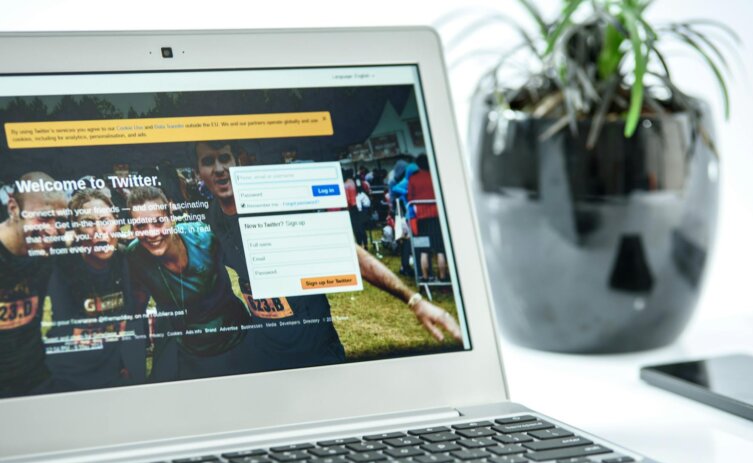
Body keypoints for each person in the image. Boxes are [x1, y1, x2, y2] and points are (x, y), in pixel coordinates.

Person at [195, 141, 462, 373]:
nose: (218, 168)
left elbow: (348, 252)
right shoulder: (212, 221)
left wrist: (413, 300)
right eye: (208, 161)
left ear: (237, 161)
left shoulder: (271, 205)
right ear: (199, 172)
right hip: (266, 356)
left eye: (225, 158)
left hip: (315, 351)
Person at [126, 186, 251, 379]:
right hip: (190, 351)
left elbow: (246, 269)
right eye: (141, 226)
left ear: (171, 218)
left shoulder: (205, 238)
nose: (151, 233)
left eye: (159, 222)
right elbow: (135, 310)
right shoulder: (134, 256)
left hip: (236, 340)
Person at [45, 189, 147, 391]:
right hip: (67, 382)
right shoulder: (59, 267)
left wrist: (125, 364)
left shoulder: (126, 259)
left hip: (113, 377)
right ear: (75, 230)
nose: (99, 230)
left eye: (105, 220)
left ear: (116, 222)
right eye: (88, 223)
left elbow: (131, 321)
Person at [0, 172, 67, 397]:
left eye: (60, 221)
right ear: (13, 208)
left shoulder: (46, 254)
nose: (53, 230)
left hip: (36, 379)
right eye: (44, 218)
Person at [407, 154, 449, 282]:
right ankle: (442, 277)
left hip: (421, 218)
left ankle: (425, 277)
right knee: (440, 249)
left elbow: (410, 198)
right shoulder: (435, 175)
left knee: (424, 250)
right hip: (437, 216)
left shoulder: (413, 179)